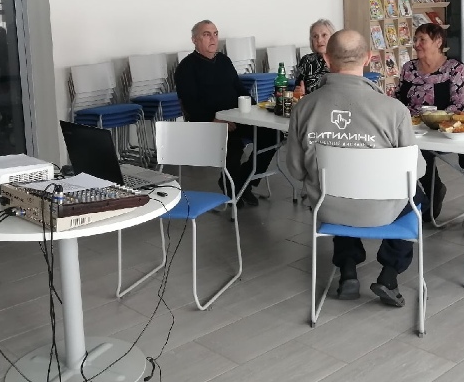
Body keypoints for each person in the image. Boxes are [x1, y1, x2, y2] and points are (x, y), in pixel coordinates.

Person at [287, 29, 427, 307]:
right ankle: (389, 275)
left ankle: (348, 270)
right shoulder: (394, 110)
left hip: (328, 208)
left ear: (327, 59)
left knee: (336, 186)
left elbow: (295, 170)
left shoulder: (303, 108)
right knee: (418, 194)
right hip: (381, 210)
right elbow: (417, 169)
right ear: (368, 58)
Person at [174, 20, 275, 206]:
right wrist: (215, 120)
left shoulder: (224, 61)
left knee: (272, 135)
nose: (213, 38)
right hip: (210, 123)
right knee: (232, 144)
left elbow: (239, 89)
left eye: (215, 34)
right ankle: (232, 190)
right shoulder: (186, 68)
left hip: (236, 117)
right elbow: (190, 105)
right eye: (206, 34)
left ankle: (244, 182)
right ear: (194, 40)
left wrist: (255, 110)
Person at [395, 23, 464, 218]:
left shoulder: (454, 69)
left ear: (438, 42)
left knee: (418, 150)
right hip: (411, 128)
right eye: (415, 39)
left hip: (441, 129)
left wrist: (430, 119)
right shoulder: (409, 68)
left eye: (422, 40)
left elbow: (459, 106)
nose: (416, 44)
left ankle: (433, 192)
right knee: (398, 148)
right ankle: (419, 198)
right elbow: (398, 99)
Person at [293, 19, 335, 96]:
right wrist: (298, 93)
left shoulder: (341, 59)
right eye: (315, 36)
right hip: (310, 102)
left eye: (324, 35)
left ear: (333, 37)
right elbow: (297, 90)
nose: (319, 40)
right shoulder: (306, 61)